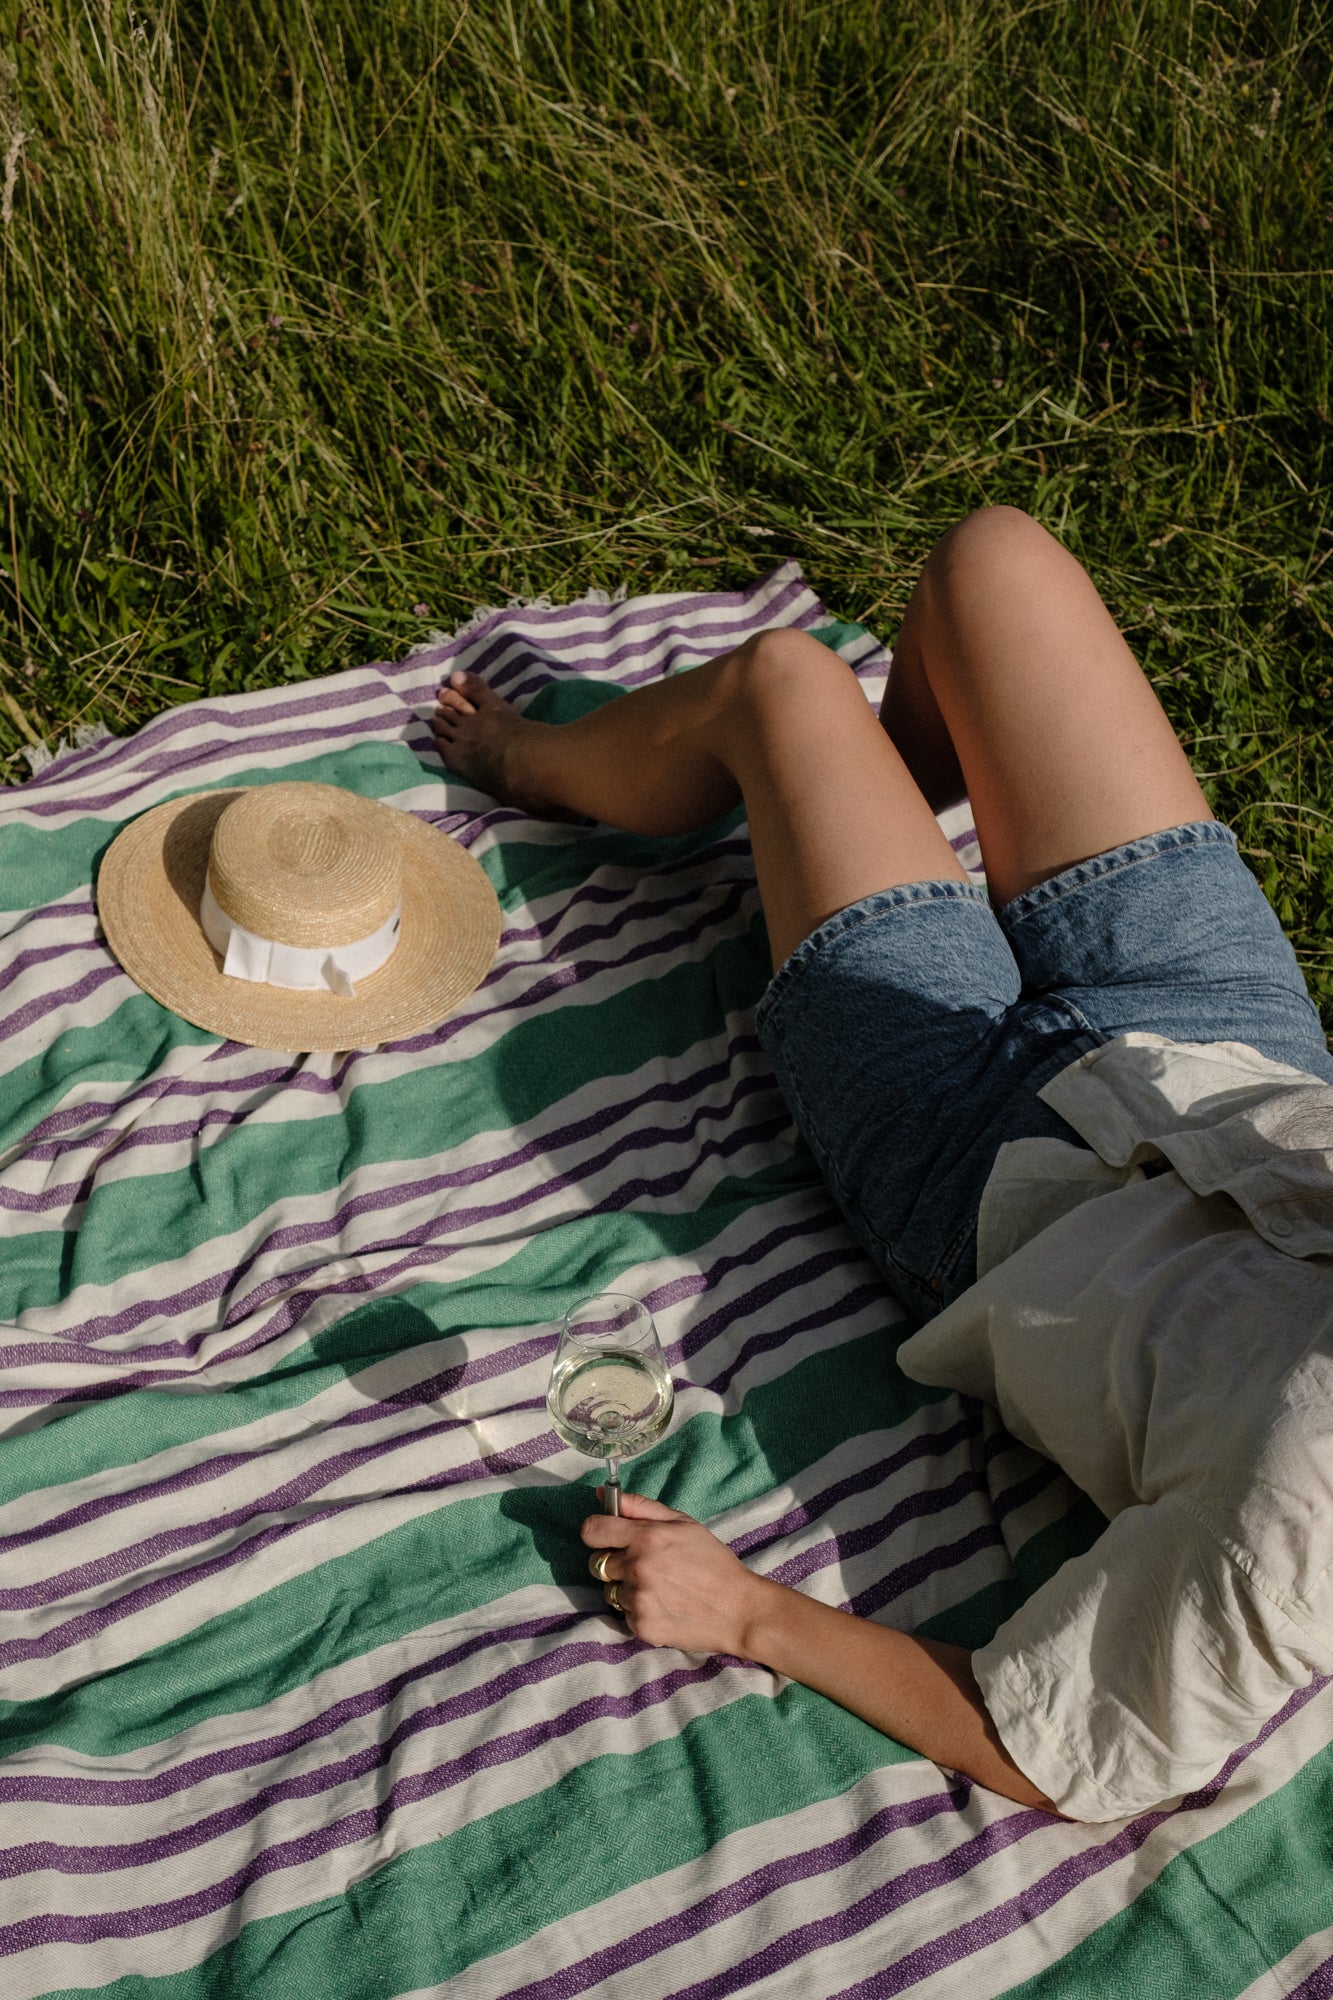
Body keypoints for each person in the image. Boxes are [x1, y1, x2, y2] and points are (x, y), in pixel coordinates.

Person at [432, 506, 1333, 1822]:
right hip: (1221, 1033)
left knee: (777, 684)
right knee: (994, 562)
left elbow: (1071, 1752)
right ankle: (869, 808)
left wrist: (747, 1614)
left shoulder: (1296, 1539)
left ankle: (549, 763)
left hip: (987, 1167)